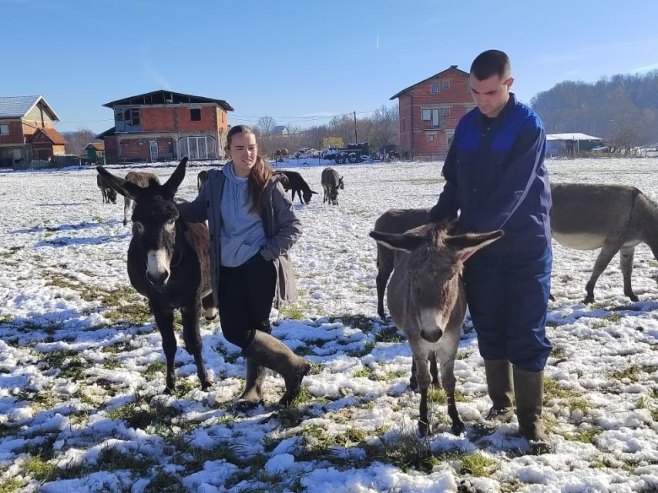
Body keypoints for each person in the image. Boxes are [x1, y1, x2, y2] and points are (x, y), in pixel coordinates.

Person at [429, 50, 552, 442]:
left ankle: (530, 418)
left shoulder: (527, 126)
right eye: (476, 92)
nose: (483, 100)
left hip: (523, 245)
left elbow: (512, 193)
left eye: (491, 92)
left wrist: (472, 237)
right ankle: (501, 401)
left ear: (509, 84)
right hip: (478, 250)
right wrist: (436, 223)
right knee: (489, 327)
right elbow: (454, 184)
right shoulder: (466, 126)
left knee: (526, 329)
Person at [178, 125, 310, 409]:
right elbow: (198, 210)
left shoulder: (269, 183)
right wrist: (168, 206)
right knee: (233, 330)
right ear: (228, 151)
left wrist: (266, 254)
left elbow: (293, 226)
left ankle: (254, 387)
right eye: (239, 148)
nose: (247, 153)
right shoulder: (215, 182)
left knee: (258, 325)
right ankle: (293, 365)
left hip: (258, 265)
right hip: (225, 267)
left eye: (251, 147)